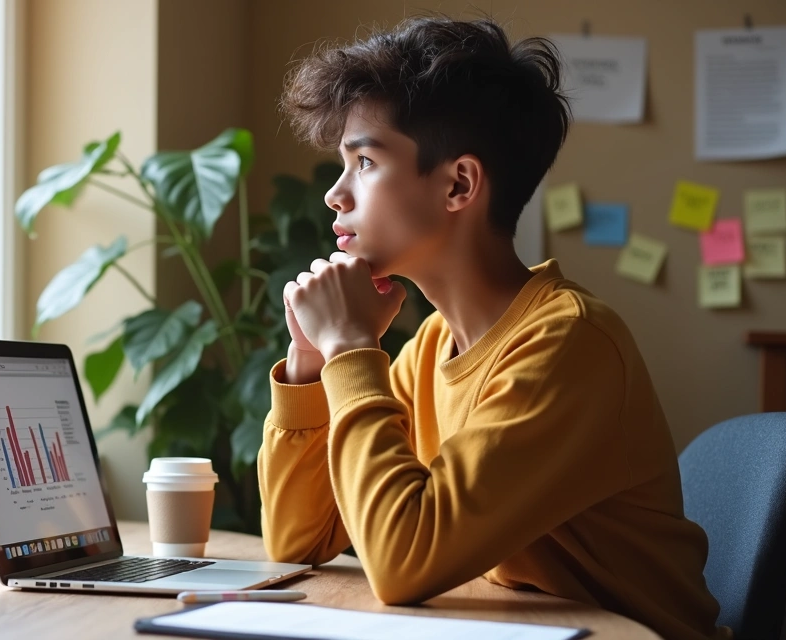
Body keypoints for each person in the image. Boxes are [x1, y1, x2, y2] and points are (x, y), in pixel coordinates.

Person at [258, 17, 729, 640]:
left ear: (459, 184)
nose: (335, 196)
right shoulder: (430, 348)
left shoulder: (568, 342)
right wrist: (312, 360)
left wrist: (351, 347)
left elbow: (402, 564)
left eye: (365, 161)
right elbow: (299, 540)